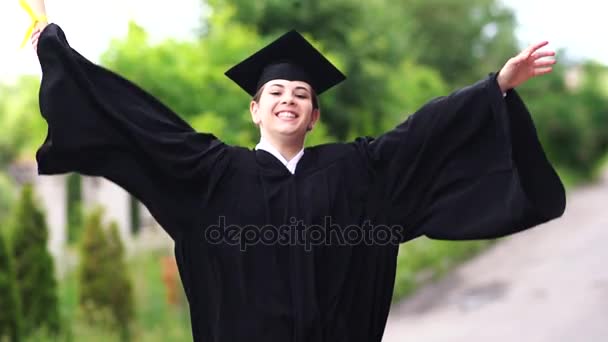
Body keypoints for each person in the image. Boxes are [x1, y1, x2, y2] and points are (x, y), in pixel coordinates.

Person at [26, 1, 565, 341]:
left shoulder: (355, 170)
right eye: (276, 92)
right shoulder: (213, 174)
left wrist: (494, 86)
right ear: (255, 110)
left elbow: (420, 135)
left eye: (302, 94)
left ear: (314, 115)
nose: (289, 99)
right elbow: (141, 124)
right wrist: (55, 50)